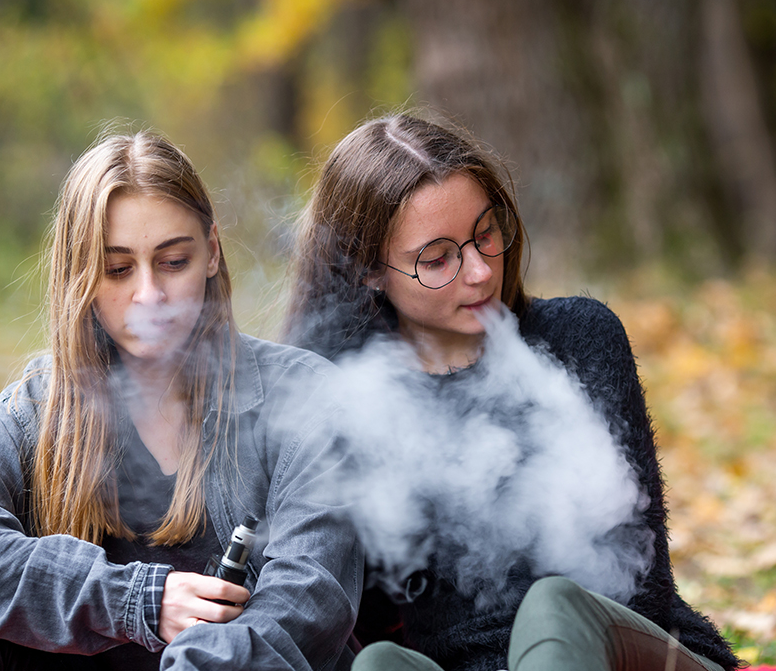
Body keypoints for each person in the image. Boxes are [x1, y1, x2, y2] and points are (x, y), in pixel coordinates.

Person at [0, 129, 362, 671]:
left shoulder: (304, 396)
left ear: (211, 251)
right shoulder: (43, 404)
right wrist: (137, 601)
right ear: (82, 277)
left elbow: (309, 599)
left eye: (173, 262)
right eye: (117, 269)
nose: (149, 296)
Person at [283, 113, 742, 671]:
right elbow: (342, 620)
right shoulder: (342, 398)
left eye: (485, 234)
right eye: (437, 258)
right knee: (378, 665)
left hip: (626, 653)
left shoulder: (578, 338)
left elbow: (639, 583)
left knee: (552, 610)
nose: (479, 271)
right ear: (368, 271)